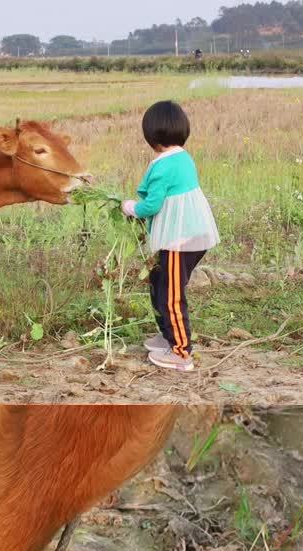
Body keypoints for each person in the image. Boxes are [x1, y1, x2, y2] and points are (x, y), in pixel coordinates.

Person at [123, 101, 220, 372]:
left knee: (170, 294)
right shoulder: (182, 157)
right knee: (158, 281)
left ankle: (180, 352)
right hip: (188, 236)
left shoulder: (163, 166)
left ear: (151, 137)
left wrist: (130, 207)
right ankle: (168, 335)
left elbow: (151, 206)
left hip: (181, 241)